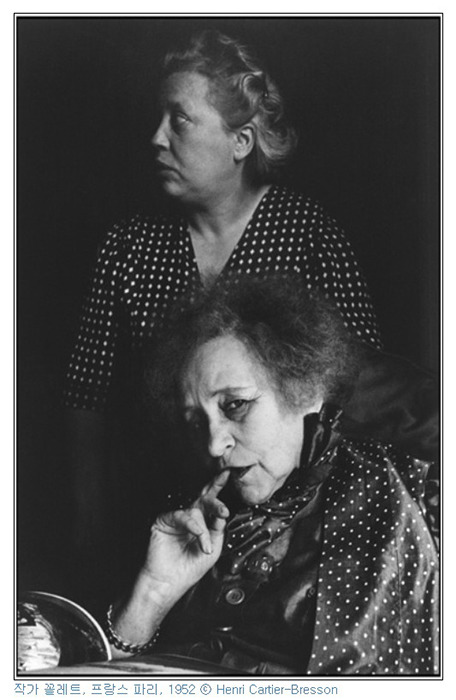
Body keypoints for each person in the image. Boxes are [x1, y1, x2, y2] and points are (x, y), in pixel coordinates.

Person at [62, 29, 385, 607]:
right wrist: (89, 520)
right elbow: (87, 395)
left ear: (241, 141)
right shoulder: (129, 247)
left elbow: (362, 393)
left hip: (292, 541)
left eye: (180, 120)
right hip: (159, 527)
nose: (157, 137)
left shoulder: (309, 235)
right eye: (158, 118)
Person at [104, 276, 439, 676]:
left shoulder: (412, 491)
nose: (214, 444)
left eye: (236, 405)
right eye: (195, 420)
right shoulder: (194, 517)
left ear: (305, 389)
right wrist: (153, 592)